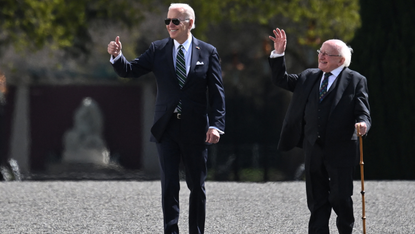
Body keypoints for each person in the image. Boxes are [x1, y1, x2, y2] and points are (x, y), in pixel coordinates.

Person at [107, 3, 225, 234]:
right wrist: (117, 56)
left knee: (197, 187)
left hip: (196, 129)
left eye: (175, 21)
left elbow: (218, 93)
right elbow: (129, 70)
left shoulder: (208, 51)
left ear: (190, 24)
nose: (169, 25)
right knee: (169, 185)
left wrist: (216, 126)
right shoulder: (157, 49)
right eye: (167, 21)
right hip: (166, 128)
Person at [268, 28, 371, 234]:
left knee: (341, 198)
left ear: (341, 61)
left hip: (341, 149)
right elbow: (282, 80)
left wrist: (363, 125)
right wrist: (279, 53)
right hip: (313, 148)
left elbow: (363, 112)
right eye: (320, 52)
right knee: (317, 200)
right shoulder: (309, 76)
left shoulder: (355, 80)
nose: (321, 56)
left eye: (327, 54)